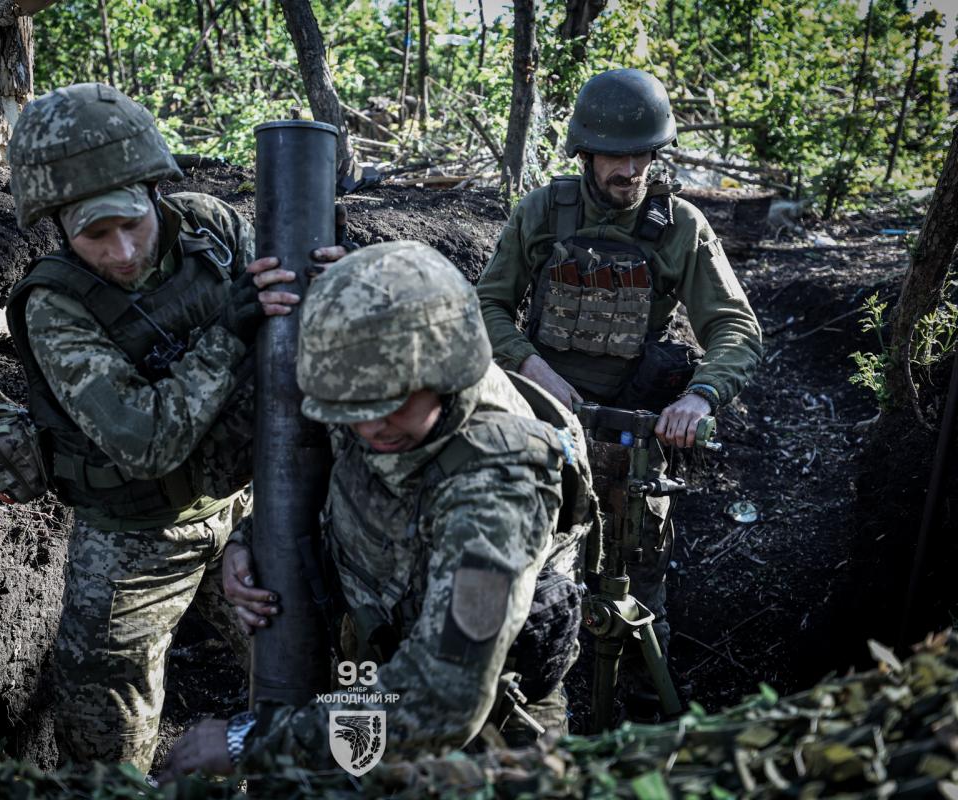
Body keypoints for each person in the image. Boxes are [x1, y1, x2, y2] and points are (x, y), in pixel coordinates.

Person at [160, 241, 598, 777]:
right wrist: (249, 538)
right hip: (370, 675)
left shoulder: (497, 488)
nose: (369, 427)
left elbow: (443, 702)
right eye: (349, 411)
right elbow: (332, 478)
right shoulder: (378, 385)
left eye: (388, 405)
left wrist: (249, 742)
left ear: (448, 368)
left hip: (483, 744)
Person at [3, 81, 341, 771]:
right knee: (106, 748)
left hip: (250, 506)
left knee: (320, 685)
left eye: (133, 222)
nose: (123, 252)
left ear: (156, 192)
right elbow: (145, 439)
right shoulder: (54, 303)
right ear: (59, 226)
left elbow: (291, 320)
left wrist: (337, 290)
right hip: (133, 545)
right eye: (95, 236)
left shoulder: (210, 229)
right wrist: (226, 334)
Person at [475, 68, 763, 706]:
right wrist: (532, 367)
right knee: (528, 590)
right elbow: (485, 307)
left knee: (637, 595)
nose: (630, 170)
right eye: (616, 156)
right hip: (541, 429)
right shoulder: (543, 213)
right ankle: (527, 716)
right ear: (585, 153)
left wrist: (700, 396)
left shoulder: (680, 227)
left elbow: (737, 328)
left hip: (632, 438)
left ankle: (641, 729)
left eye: (642, 155)